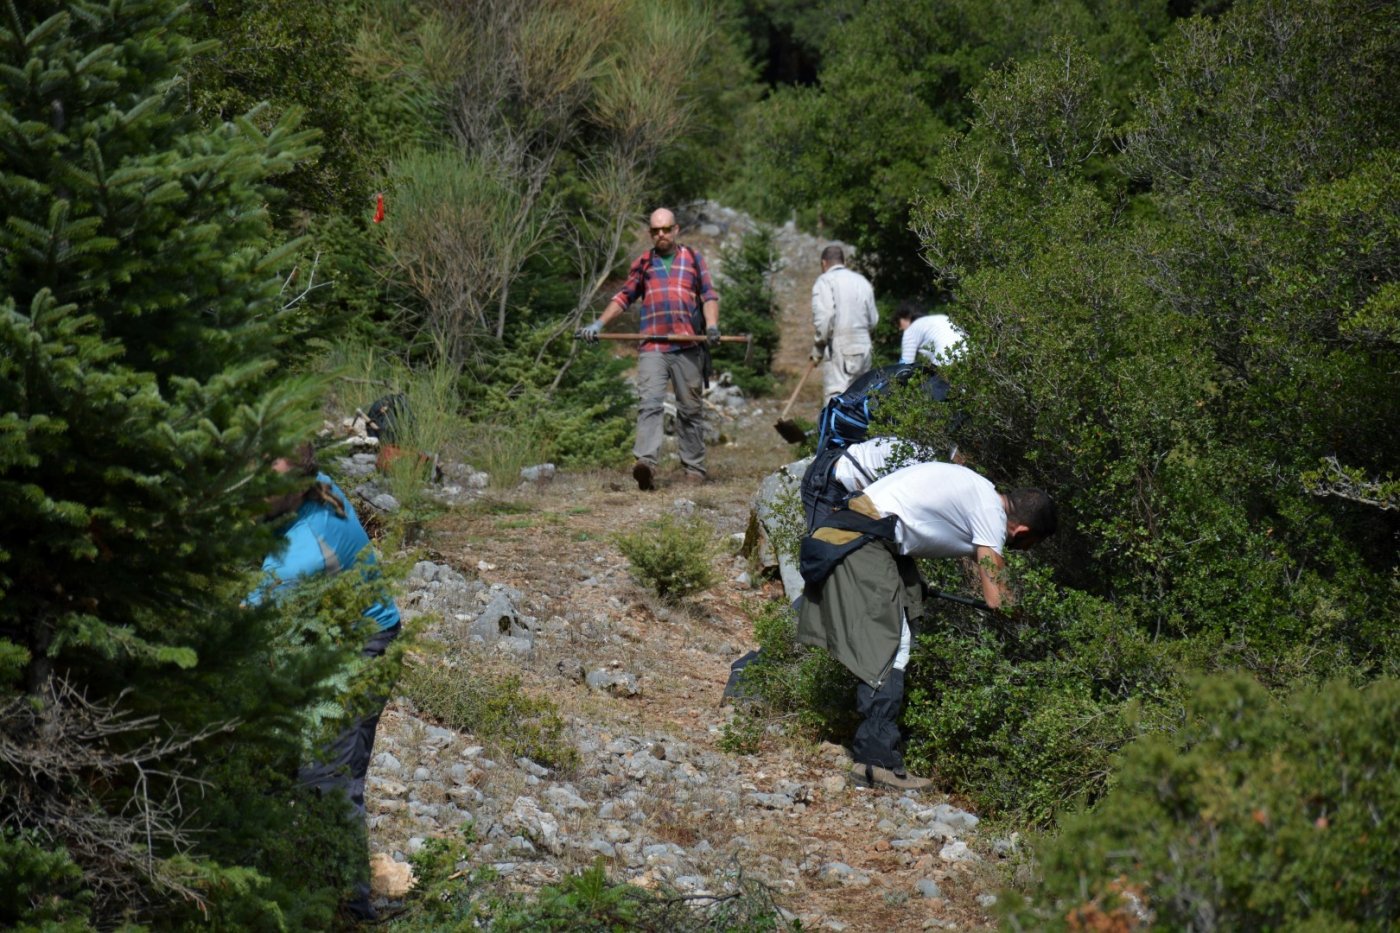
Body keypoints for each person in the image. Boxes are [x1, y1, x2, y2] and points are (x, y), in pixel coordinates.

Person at [797, 462, 1056, 791]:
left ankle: (877, 754)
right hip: (861, 540)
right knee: (892, 646)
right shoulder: (991, 513)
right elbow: (997, 598)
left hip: (867, 535)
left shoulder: (981, 491)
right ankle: (876, 763)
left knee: (901, 624)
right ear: (1022, 533)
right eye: (1027, 546)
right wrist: (1028, 619)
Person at [248, 446, 402, 921]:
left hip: (360, 650)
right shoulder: (318, 486)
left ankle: (349, 911)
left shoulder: (305, 552)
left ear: (298, 482)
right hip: (320, 640)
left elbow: (242, 625)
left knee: (327, 781)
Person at [577, 208, 720, 490]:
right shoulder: (644, 263)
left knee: (690, 408)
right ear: (650, 233)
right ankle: (646, 465)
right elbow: (624, 297)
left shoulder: (693, 259)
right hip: (653, 346)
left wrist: (712, 326)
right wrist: (599, 324)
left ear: (676, 229)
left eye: (666, 229)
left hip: (688, 345)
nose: (661, 235)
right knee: (649, 405)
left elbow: (708, 295)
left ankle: (694, 470)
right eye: (656, 231)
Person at [811, 246, 879, 402]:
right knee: (861, 399)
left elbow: (826, 317)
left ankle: (834, 427)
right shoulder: (862, 281)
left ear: (824, 263)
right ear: (843, 261)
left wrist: (818, 346)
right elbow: (873, 320)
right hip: (865, 347)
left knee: (836, 399)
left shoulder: (825, 281)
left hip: (841, 346)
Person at [897, 304, 965, 367]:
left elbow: (905, 365)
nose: (899, 328)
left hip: (947, 363)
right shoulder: (942, 317)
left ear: (906, 317)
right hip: (970, 355)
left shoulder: (910, 330)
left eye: (897, 322)